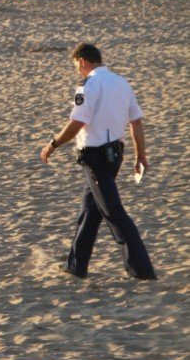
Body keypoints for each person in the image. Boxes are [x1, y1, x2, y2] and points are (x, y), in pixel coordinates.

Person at [40, 43, 156, 280]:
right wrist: (140, 155)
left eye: (76, 66)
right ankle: (75, 267)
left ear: (82, 61)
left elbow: (76, 123)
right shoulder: (121, 83)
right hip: (115, 155)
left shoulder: (89, 85)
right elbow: (137, 123)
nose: (77, 71)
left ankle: (142, 271)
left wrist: (53, 144)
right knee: (89, 212)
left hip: (96, 157)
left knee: (114, 212)